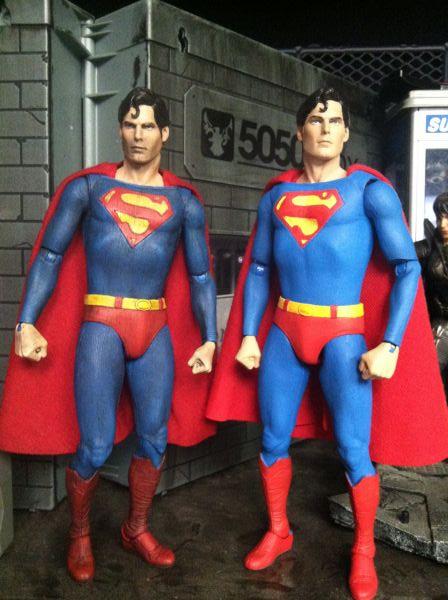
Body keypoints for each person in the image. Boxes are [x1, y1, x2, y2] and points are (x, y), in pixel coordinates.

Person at [207, 88, 448, 600]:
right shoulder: (276, 198)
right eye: (315, 120)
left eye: (334, 121)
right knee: (272, 439)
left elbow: (407, 268)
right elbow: (260, 268)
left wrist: (390, 345)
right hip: (285, 330)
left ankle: (364, 549)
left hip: (343, 335)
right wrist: (247, 333)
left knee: (354, 450)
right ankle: (278, 530)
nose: (324, 128)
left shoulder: (368, 192)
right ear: (300, 131)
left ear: (345, 132)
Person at [0, 88, 217, 582]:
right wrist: (27, 322)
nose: (138, 135)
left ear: (165, 133)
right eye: (130, 124)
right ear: (119, 129)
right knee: (95, 445)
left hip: (154, 328)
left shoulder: (184, 202)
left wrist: (209, 338)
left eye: (148, 126)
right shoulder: (89, 189)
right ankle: (79, 532)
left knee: (154, 438)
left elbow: (201, 275)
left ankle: (135, 527)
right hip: (102, 325)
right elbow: (50, 255)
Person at [415, 193, 448, 397]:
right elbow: (405, 254)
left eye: (447, 217)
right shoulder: (430, 247)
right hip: (440, 324)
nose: (443, 224)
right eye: (439, 218)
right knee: (431, 378)